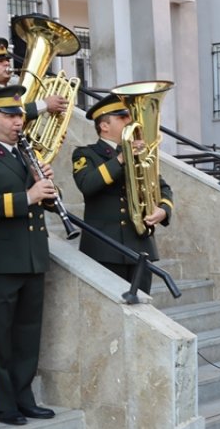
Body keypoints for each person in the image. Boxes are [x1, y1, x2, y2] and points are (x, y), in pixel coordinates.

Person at [0, 85, 58, 426]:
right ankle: (3, 403)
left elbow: (43, 200)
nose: (19, 122)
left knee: (28, 333)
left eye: (20, 115)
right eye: (11, 116)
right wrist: (30, 195)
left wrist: (47, 188)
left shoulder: (26, 153)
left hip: (31, 254)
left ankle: (24, 395)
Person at [71, 93, 173, 293]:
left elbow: (162, 187)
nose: (130, 120)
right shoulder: (86, 153)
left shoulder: (139, 152)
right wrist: (120, 159)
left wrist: (163, 210)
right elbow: (87, 184)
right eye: (122, 117)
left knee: (143, 307)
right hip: (104, 248)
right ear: (104, 126)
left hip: (140, 246)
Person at [0, 37, 69, 143]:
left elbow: (23, 121)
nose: (7, 63)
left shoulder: (16, 95)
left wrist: (51, 137)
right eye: (0, 61)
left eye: (7, 60)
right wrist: (44, 104)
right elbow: (4, 109)